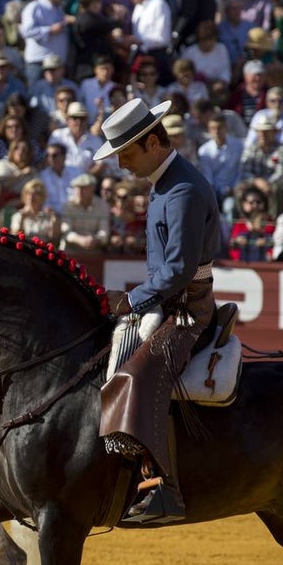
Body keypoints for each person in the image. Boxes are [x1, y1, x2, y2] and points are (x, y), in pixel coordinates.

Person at [95, 99, 221, 525]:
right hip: (171, 301)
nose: (121, 164)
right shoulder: (168, 181)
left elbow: (179, 270)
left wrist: (132, 300)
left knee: (139, 374)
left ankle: (166, 489)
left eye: (126, 154)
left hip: (187, 309)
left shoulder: (181, 189)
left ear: (152, 142)